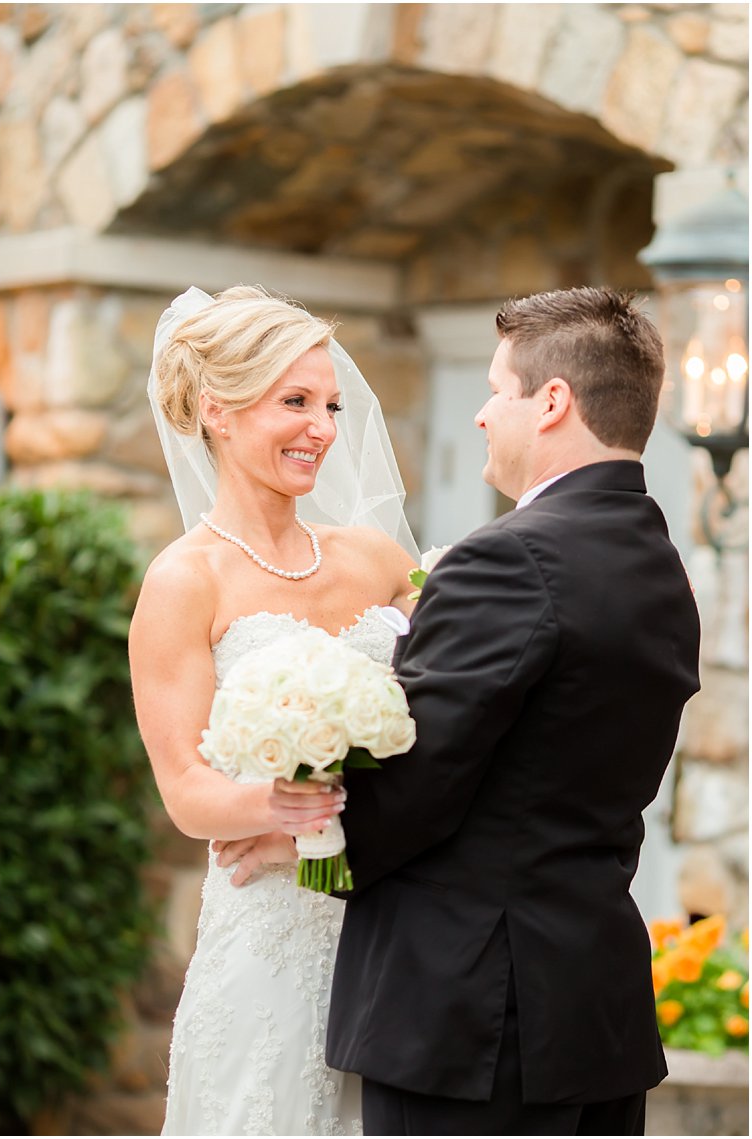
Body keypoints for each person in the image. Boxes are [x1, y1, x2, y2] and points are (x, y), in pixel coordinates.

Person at [227, 287, 701, 1135]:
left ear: (552, 401)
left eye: (497, 390)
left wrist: (303, 837)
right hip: (594, 1011)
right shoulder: (658, 562)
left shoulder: (511, 559)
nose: (482, 415)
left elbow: (423, 773)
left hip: (473, 1024)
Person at [130, 286, 418, 1134]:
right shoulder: (187, 581)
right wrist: (281, 808)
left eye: (329, 403)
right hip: (270, 937)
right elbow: (185, 787)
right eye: (294, 401)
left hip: (398, 922)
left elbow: (458, 714)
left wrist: (329, 820)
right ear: (217, 410)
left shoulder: (377, 559)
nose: (324, 427)